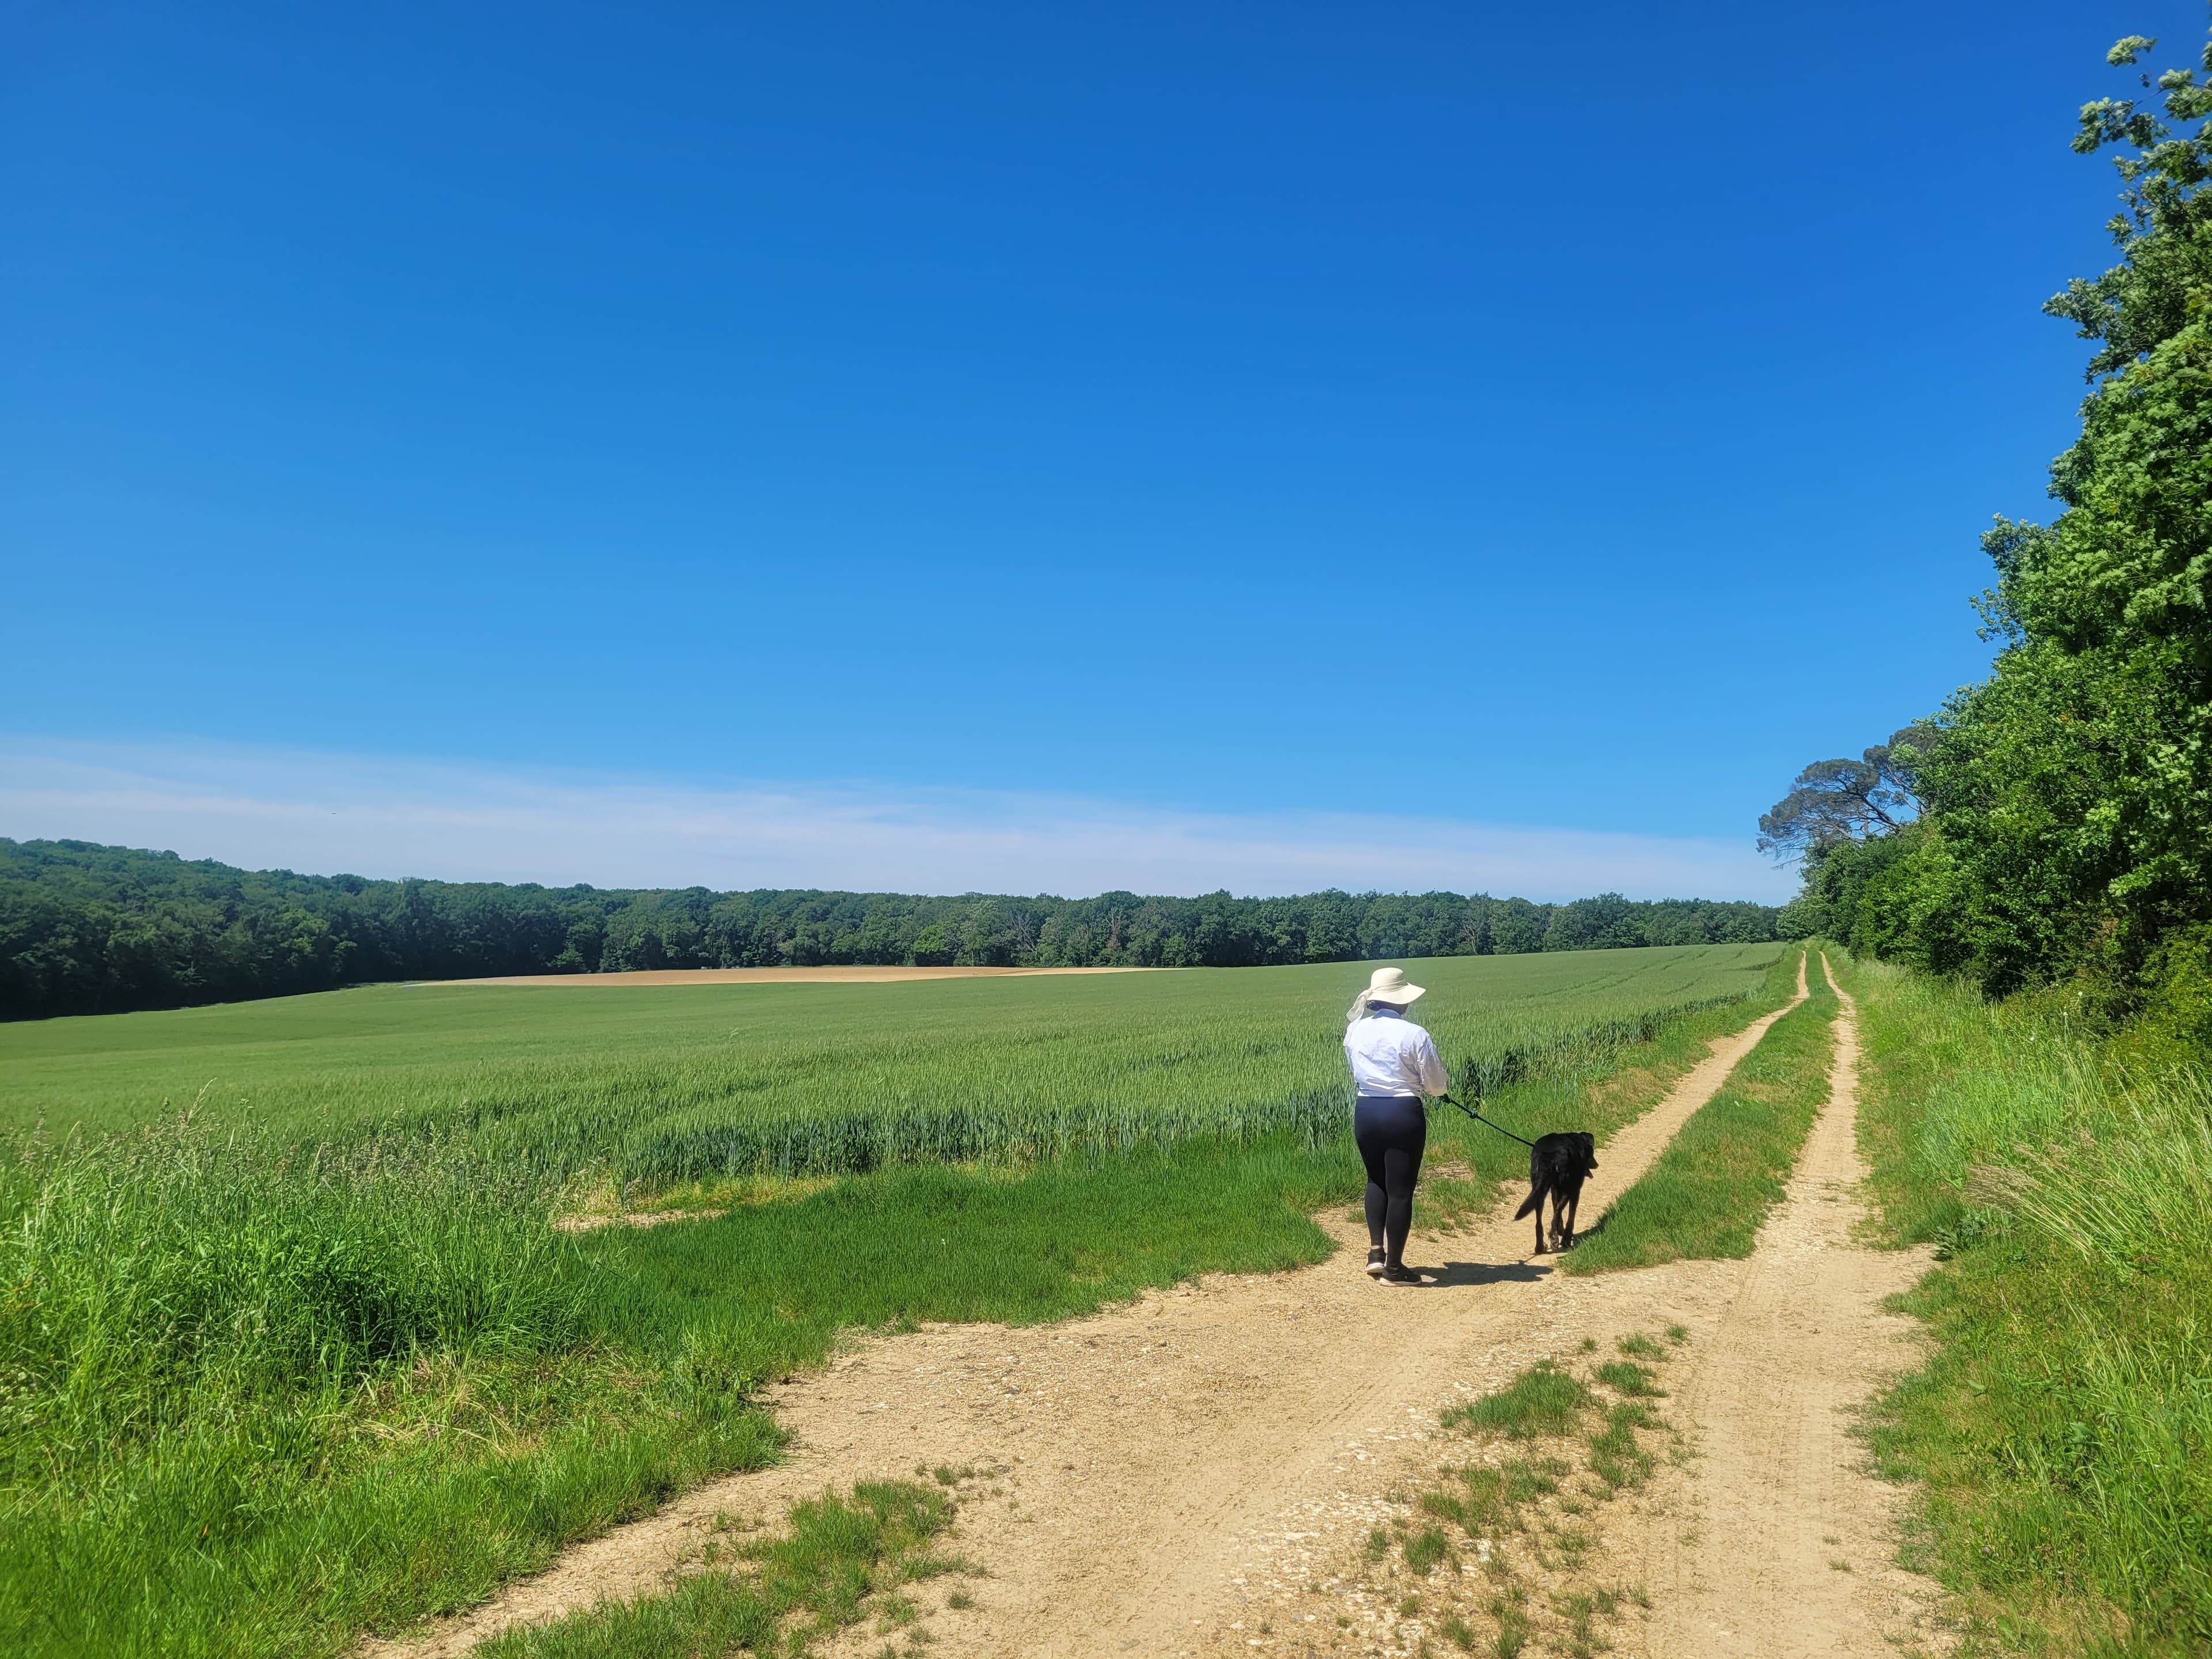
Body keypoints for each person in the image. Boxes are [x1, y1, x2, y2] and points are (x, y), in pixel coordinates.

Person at [1343, 965, 1448, 1285]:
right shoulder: (1414, 1033)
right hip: (1402, 1112)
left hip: (1366, 1109)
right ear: (1402, 1002)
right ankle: (1395, 1268)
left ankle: (1376, 1254)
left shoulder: (1355, 1030)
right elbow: (1436, 1085)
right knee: (1401, 1192)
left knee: (1376, 1181)